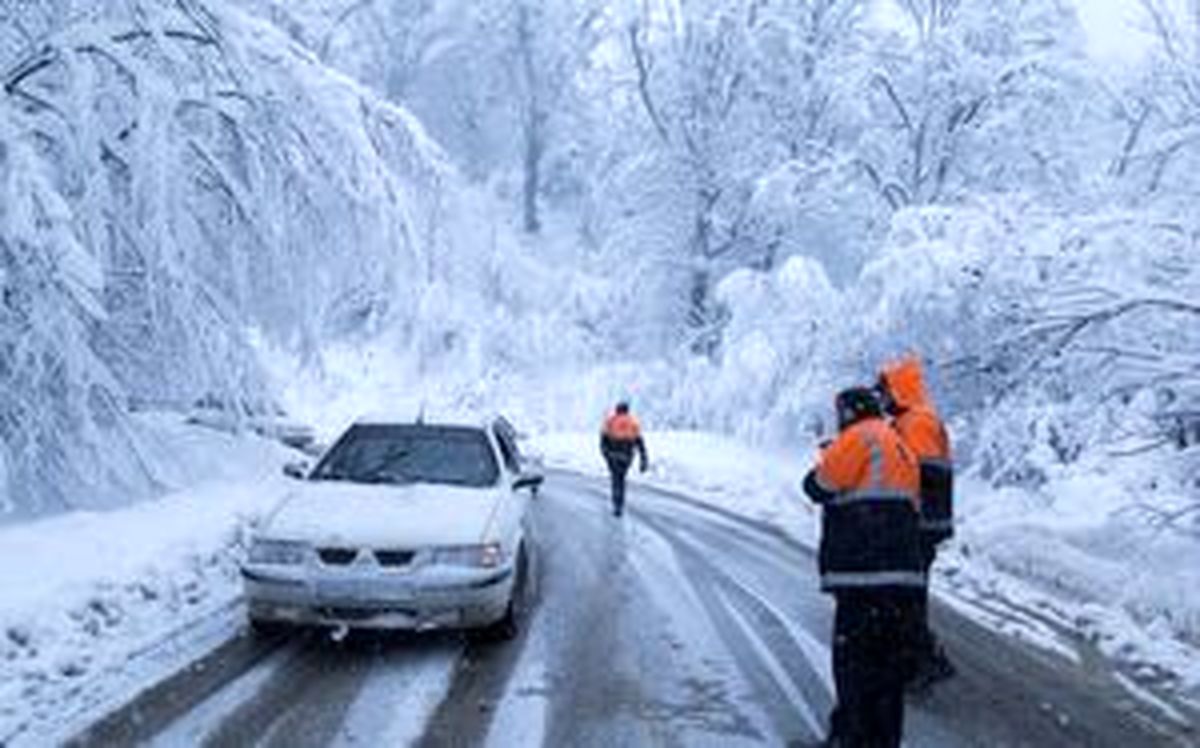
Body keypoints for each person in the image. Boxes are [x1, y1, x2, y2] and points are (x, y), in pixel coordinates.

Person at [803, 387, 925, 748]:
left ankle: (849, 739)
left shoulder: (859, 437)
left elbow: (819, 486)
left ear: (848, 413)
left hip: (863, 571)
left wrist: (824, 459)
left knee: (854, 664)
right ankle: (883, 741)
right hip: (901, 574)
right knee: (887, 671)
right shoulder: (900, 443)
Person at [878, 356, 956, 691]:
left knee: (906, 597)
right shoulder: (913, 421)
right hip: (924, 522)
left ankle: (925, 662)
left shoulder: (916, 423)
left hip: (919, 524)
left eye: (885, 391)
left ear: (900, 389)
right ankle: (916, 660)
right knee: (907, 595)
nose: (882, 399)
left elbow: (920, 473)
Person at [600, 401, 648, 517]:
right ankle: (619, 503)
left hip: (613, 454)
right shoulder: (633, 422)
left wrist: (606, 454)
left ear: (617, 410)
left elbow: (603, 440)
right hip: (627, 455)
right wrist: (643, 458)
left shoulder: (610, 420)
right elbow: (639, 442)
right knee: (621, 478)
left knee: (615, 479)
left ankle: (617, 504)